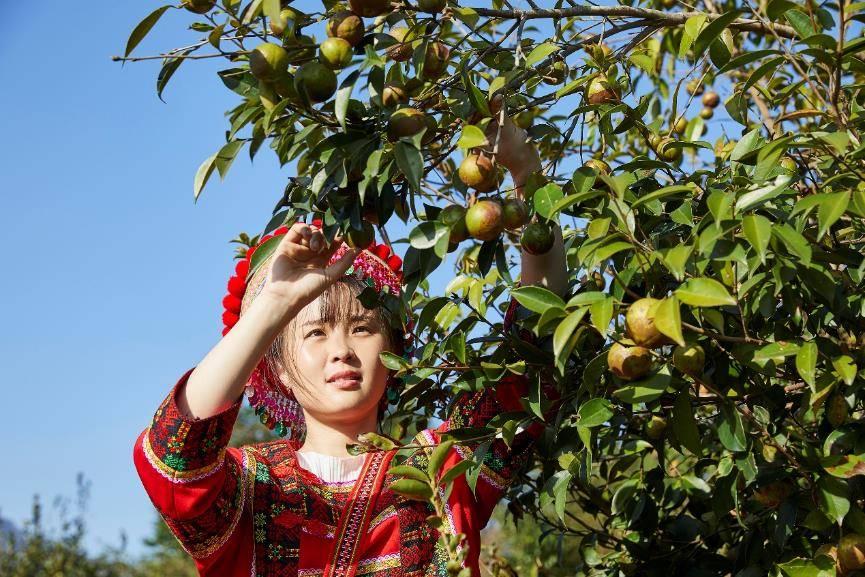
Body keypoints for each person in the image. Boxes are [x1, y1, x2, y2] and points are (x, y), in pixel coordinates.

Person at [132, 118, 568, 577]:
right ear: (275, 368)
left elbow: (533, 354)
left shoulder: (443, 469)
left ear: (394, 349)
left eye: (361, 328)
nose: (341, 350)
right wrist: (274, 305)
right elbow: (174, 457)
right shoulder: (249, 490)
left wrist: (526, 171)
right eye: (315, 333)